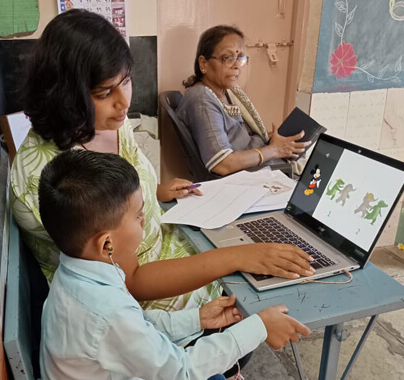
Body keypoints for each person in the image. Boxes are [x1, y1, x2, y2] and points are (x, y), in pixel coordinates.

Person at [10, 10, 315, 313]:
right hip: (139, 308)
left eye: (126, 81)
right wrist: (236, 258)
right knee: (274, 291)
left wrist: (155, 192)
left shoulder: (107, 122)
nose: (124, 102)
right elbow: (129, 282)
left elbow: (116, 200)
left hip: (169, 246)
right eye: (105, 92)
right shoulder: (50, 175)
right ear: (64, 95)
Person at [38, 149, 311, 380]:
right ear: (107, 244)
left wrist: (196, 319)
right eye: (138, 216)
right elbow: (182, 371)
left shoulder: (76, 274)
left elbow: (138, 325)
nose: (144, 221)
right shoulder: (105, 311)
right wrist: (260, 326)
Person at [177, 25, 310, 176]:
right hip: (253, 178)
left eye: (240, 58)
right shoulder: (201, 98)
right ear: (203, 64)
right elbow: (222, 164)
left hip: (264, 167)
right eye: (227, 58)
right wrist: (274, 150)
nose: (236, 66)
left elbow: (239, 137)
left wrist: (271, 140)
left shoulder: (225, 93)